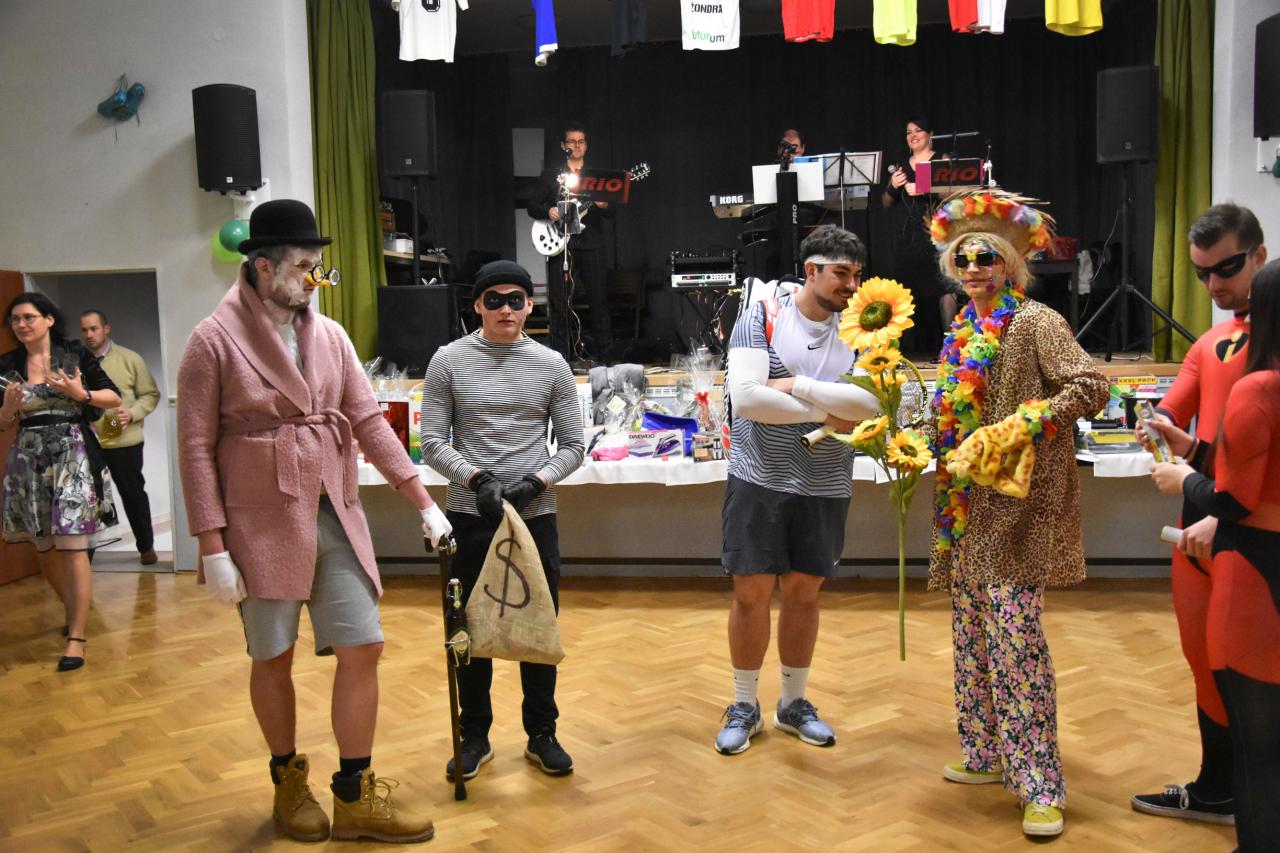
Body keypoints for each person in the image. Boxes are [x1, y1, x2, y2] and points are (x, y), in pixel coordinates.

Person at [176, 199, 450, 843]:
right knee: (272, 655)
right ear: (262, 266)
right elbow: (193, 447)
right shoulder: (212, 340)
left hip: (334, 511)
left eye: (317, 266)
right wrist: (211, 544)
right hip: (259, 523)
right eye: (304, 266)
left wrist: (424, 501)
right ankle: (287, 783)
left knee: (364, 646)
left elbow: (368, 421)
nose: (315, 278)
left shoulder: (329, 336)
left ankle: (354, 795)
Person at [926, 190, 1109, 838]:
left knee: (1016, 646)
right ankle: (985, 752)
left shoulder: (1036, 322)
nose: (975, 267)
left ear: (1009, 263)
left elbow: (1091, 385)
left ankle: (1041, 786)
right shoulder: (960, 329)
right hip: (968, 508)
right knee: (972, 638)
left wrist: (1026, 424)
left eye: (988, 257)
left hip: (1019, 509)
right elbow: (953, 411)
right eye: (964, 257)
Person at [715, 225, 880, 756]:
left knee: (805, 593)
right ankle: (744, 704)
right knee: (751, 593)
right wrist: (829, 410)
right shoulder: (762, 314)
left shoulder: (865, 325)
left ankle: (792, 704)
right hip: (758, 475)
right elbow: (747, 399)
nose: (851, 285)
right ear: (811, 271)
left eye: (856, 275)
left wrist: (795, 386)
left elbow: (872, 405)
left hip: (826, 480)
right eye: (840, 274)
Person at [419, 259, 585, 781]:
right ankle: (474, 735)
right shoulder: (447, 360)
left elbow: (574, 446)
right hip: (470, 515)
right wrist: (476, 480)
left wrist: (536, 481)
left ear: (530, 305)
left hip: (534, 516)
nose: (506, 309)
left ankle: (542, 734)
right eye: (494, 300)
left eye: (516, 300)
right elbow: (431, 442)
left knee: (538, 624)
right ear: (477, 306)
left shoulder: (552, 365)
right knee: (469, 628)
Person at [1131, 203, 1268, 826]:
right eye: (1201, 273)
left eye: (1227, 269)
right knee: (1205, 660)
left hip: (1245, 524)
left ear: (1258, 256)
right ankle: (1218, 788)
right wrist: (1156, 423)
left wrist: (1227, 512)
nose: (1213, 284)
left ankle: (1254, 800)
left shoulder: (1270, 347)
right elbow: (1176, 406)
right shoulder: (1213, 342)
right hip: (1202, 514)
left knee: (1249, 672)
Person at [1, 293, 121, 671]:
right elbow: (3, 422)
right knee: (45, 548)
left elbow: (113, 397)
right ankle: (74, 610)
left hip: (73, 455)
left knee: (72, 546)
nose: (21, 325)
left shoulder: (73, 353)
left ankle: (77, 638)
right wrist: (7, 409)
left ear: (49, 319)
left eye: (28, 317)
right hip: (29, 460)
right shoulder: (7, 365)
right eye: (15, 320)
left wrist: (80, 393)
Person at [526, 121, 613, 362]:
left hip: (591, 243)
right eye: (572, 142)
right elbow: (532, 206)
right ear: (563, 145)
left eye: (581, 141)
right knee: (559, 303)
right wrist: (549, 211)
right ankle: (560, 359)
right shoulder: (552, 175)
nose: (577, 146)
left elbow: (611, 213)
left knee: (599, 300)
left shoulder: (596, 177)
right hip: (561, 246)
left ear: (586, 145)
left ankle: (605, 358)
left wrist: (604, 204)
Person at [80, 309, 161, 565]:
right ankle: (84, 558)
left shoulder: (129, 358)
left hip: (121, 435)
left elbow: (150, 394)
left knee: (132, 493)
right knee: (87, 498)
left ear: (106, 329)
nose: (89, 334)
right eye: (84, 330)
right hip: (87, 438)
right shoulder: (76, 362)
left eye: (94, 328)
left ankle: (146, 547)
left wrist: (133, 413)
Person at [881, 115, 951, 357]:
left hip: (935, 233)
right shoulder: (901, 165)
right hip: (907, 236)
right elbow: (886, 202)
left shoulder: (941, 159)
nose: (913, 135)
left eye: (918, 130)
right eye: (908, 132)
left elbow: (953, 192)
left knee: (943, 288)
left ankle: (949, 347)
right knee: (905, 291)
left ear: (930, 134)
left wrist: (926, 187)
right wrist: (893, 186)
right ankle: (905, 352)